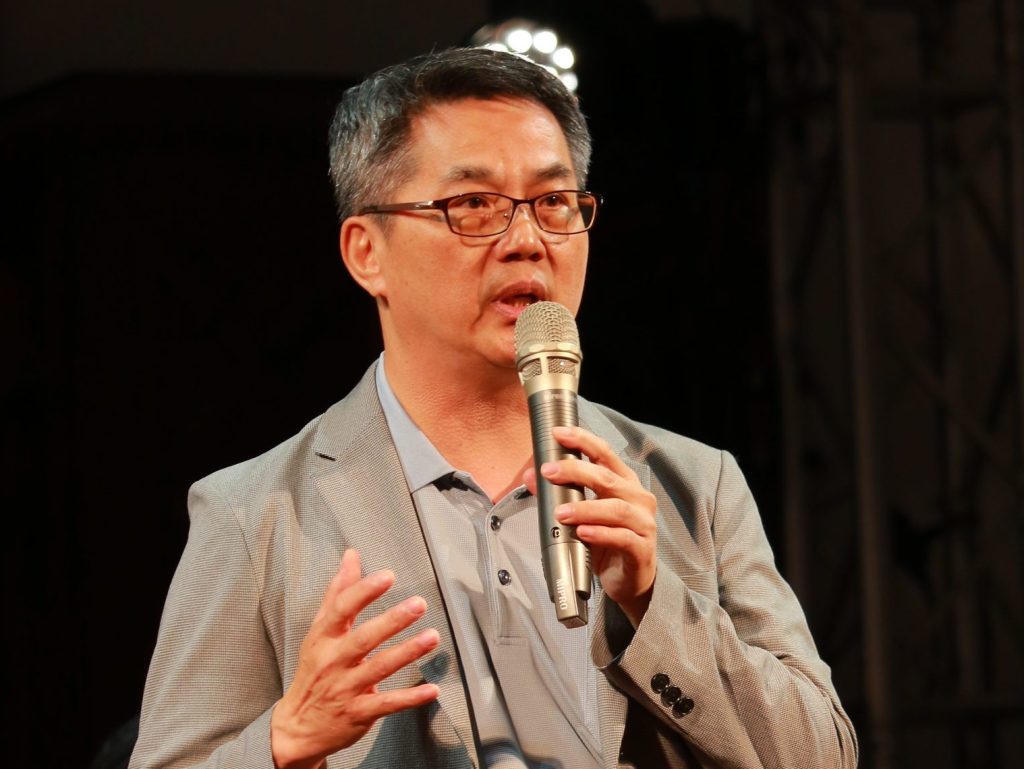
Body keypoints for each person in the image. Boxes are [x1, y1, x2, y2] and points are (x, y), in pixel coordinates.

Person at [128, 46, 858, 769]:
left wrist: (654, 602)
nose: (527, 241)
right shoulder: (256, 514)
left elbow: (822, 755)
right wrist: (284, 742)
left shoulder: (692, 485)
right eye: (473, 205)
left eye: (554, 203)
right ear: (366, 253)